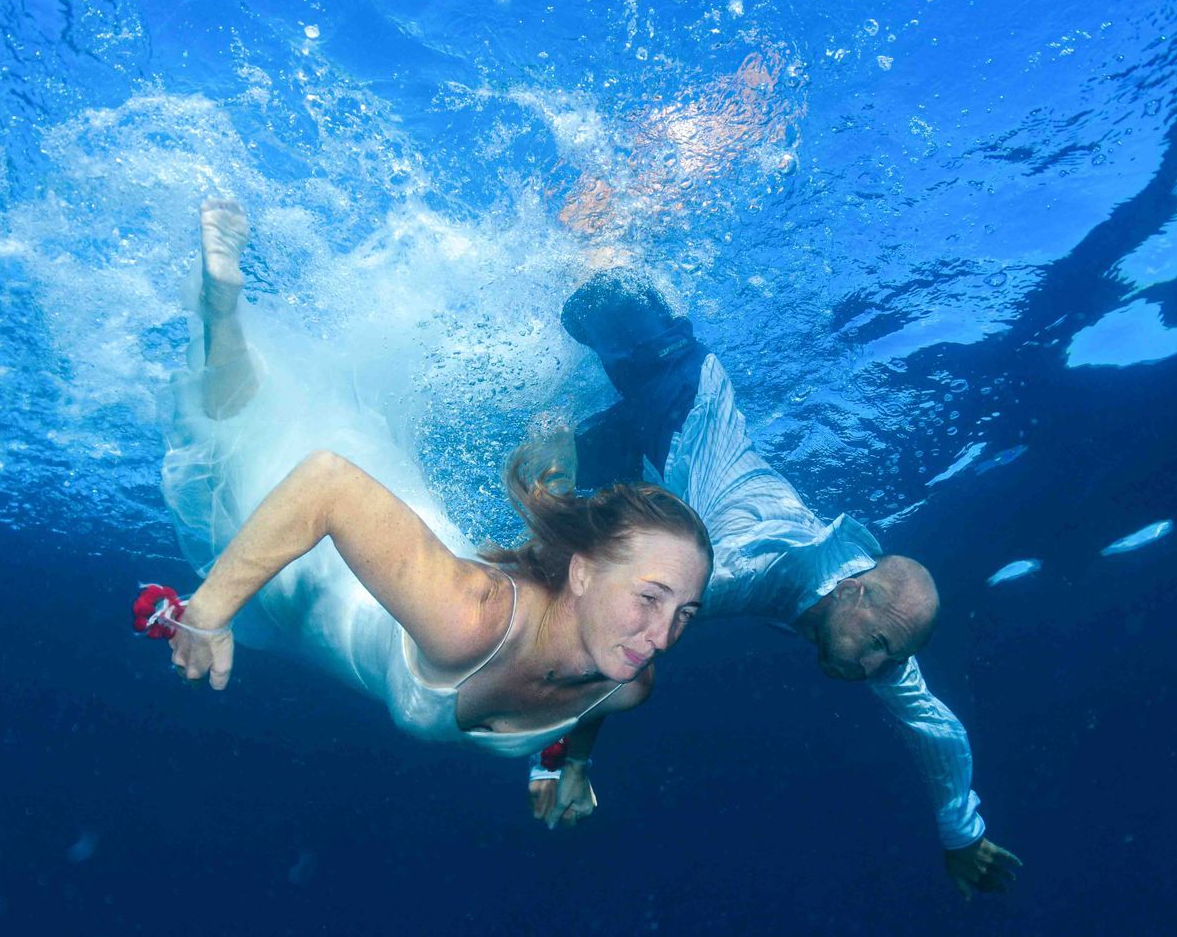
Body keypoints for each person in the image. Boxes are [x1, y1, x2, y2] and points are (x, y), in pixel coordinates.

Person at [153, 200, 711, 769]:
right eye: (649, 599)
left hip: (406, 547)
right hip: (312, 573)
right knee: (242, 440)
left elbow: (595, 702)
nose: (662, 637)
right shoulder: (469, 620)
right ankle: (219, 315)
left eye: (685, 614)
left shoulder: (629, 677)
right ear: (583, 573)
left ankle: (553, 433)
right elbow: (324, 484)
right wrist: (207, 612)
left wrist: (564, 767)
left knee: (293, 429)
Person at [526, 268, 1023, 900]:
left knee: (543, 467)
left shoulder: (877, 634)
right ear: (855, 591)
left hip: (659, 453)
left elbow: (936, 728)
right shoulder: (756, 572)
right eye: (878, 646)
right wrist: (566, 760)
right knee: (601, 282)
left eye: (889, 657)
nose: (878, 667)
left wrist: (963, 834)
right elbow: (620, 644)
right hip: (680, 389)